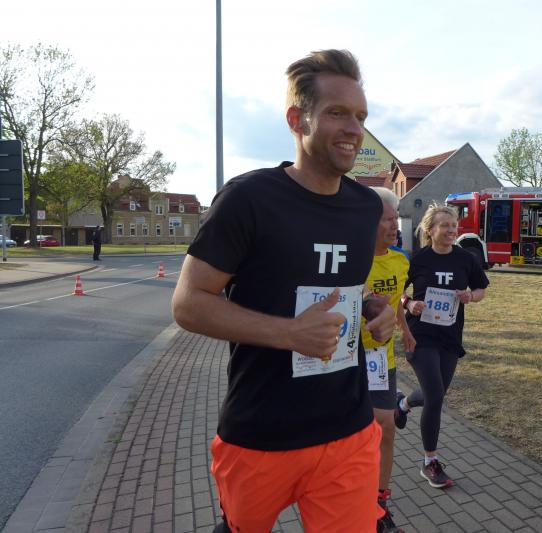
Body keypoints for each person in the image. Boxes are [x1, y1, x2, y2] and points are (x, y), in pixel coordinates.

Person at [171, 49, 399, 533]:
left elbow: (346, 288)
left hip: (348, 428)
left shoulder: (365, 208)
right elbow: (188, 303)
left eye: (361, 116)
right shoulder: (248, 199)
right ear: (298, 120)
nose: (354, 129)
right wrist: (289, 333)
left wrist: (374, 308)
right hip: (260, 433)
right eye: (337, 113)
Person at [396, 204, 489, 488]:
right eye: (445, 226)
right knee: (435, 396)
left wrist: (470, 297)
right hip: (420, 335)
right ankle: (430, 462)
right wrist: (409, 303)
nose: (451, 230)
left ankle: (402, 404)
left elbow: (481, 289)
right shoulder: (417, 259)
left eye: (453, 225)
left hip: (450, 336)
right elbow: (397, 291)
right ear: (430, 230)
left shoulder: (466, 259)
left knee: (435, 393)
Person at [362, 187, 414, 532]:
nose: (395, 226)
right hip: (346, 357)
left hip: (382, 358)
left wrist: (405, 329)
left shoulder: (401, 260)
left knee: (385, 428)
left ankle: (380, 503)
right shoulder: (353, 259)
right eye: (387, 220)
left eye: (396, 219)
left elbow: (396, 302)